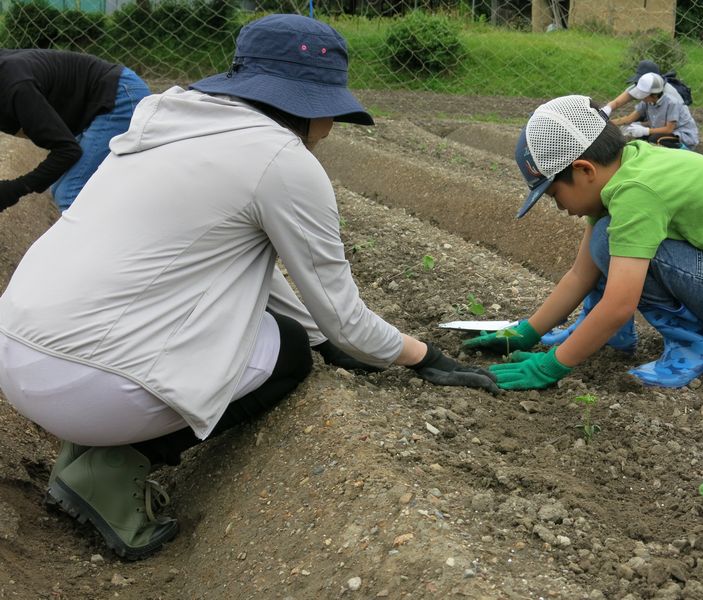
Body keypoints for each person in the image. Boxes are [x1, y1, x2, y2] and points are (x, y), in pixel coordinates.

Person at [0, 14, 497, 560]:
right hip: (92, 383)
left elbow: (253, 275)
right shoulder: (281, 161)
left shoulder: (168, 123)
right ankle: (112, 467)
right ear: (308, 102)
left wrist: (324, 335)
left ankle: (88, 446)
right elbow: (342, 315)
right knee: (287, 353)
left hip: (19, 353)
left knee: (271, 329)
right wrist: (422, 357)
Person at [463, 95, 703, 393]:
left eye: (554, 194)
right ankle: (605, 335)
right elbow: (580, 274)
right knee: (605, 239)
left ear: (584, 169)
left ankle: (693, 346)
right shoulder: (623, 168)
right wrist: (526, 332)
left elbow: (620, 304)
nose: (559, 207)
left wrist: (552, 365)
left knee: (609, 240)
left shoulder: (634, 192)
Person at [0, 49, 150, 213]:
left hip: (118, 96)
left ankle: (107, 237)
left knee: (69, 191)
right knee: (61, 186)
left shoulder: (16, 87)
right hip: (99, 102)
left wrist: (15, 189)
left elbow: (67, 150)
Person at [611, 72, 699, 150]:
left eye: (644, 95)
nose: (641, 97)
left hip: (682, 135)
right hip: (663, 131)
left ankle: (682, 153)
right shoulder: (646, 102)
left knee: (655, 140)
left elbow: (669, 129)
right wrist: (608, 123)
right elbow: (629, 119)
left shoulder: (672, 103)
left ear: (655, 95)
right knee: (641, 139)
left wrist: (645, 130)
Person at [599, 59, 689, 119]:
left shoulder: (669, 95)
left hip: (674, 125)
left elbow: (670, 123)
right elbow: (617, 102)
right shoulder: (643, 86)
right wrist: (606, 110)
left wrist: (646, 130)